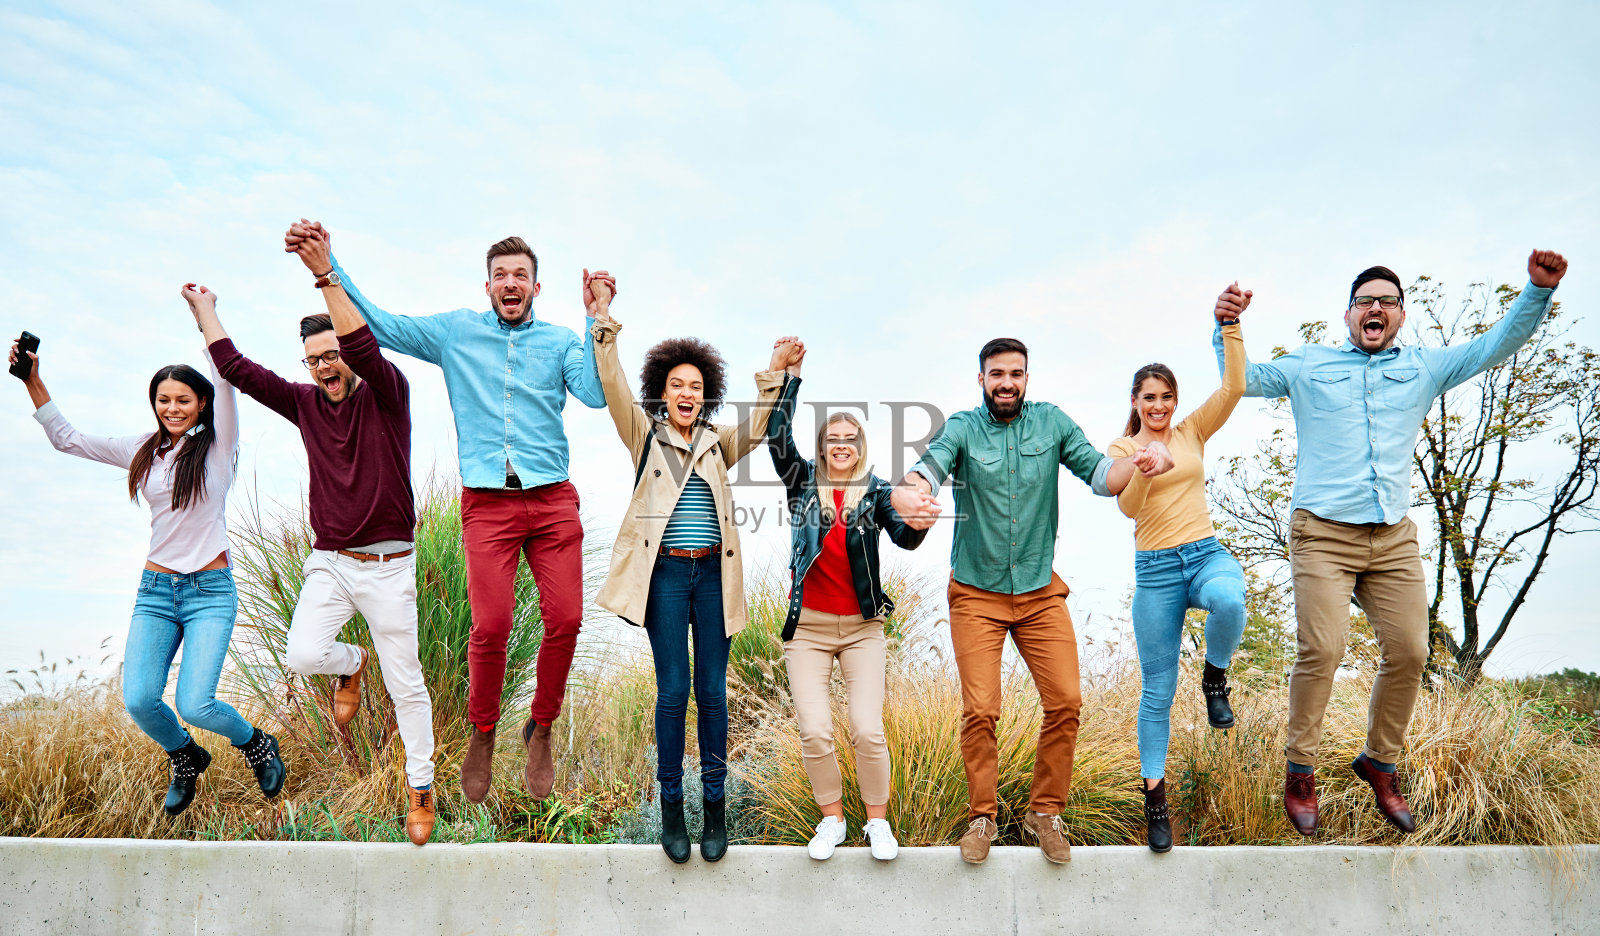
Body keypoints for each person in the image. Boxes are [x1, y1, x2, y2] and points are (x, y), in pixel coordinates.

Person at [1225, 250, 1569, 836]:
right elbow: (1245, 381)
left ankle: (1380, 761)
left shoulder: (1424, 368)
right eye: (1366, 302)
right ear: (1349, 314)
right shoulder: (1311, 365)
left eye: (1387, 301)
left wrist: (1536, 292)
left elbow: (1494, 345)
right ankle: (1300, 769)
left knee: (1411, 651)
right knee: (1324, 649)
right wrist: (1228, 327)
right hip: (1323, 535)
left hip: (1391, 539)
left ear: (1401, 316)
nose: (1376, 308)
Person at [285, 220, 605, 804]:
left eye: (522, 276)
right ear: (487, 287)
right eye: (501, 276)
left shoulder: (560, 341)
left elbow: (595, 393)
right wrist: (328, 271)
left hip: (553, 499)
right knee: (491, 626)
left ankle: (542, 725)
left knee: (565, 620)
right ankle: (483, 730)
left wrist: (597, 320)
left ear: (537, 287)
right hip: (488, 505)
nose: (511, 283)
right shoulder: (457, 332)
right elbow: (380, 326)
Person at [890, 338, 1174, 865]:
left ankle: (1045, 811)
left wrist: (1138, 460)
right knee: (981, 709)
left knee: (1065, 701)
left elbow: (1102, 478)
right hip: (976, 592)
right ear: (981, 379)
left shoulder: (1053, 423)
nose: (1006, 383)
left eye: (1016, 374)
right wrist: (906, 494)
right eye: (996, 374)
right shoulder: (962, 428)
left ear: (1027, 378)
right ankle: (983, 816)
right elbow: (925, 472)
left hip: (1041, 593)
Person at [9, 286, 285, 817]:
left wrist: (205, 313)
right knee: (139, 699)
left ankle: (256, 743)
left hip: (209, 591)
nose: (173, 408)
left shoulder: (219, 446)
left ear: (200, 402)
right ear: (154, 405)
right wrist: (32, 380)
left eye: (183, 399)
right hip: (156, 592)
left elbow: (225, 374)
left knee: (195, 703)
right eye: (163, 400)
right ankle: (185, 756)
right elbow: (68, 439)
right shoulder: (144, 450)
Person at [200, 229, 436, 845]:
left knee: (406, 681)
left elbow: (360, 339)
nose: (326, 366)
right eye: (315, 359)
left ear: (353, 356)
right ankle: (351, 663)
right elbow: (237, 370)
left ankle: (419, 787)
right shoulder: (305, 403)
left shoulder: (388, 394)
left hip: (390, 566)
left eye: (334, 354)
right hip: (331, 563)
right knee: (303, 654)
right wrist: (206, 310)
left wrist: (325, 273)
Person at [586, 276, 785, 863]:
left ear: (706, 394)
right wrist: (602, 318)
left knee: (713, 694)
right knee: (673, 692)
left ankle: (715, 806)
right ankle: (672, 806)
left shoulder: (718, 443)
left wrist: (774, 369)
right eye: (677, 385)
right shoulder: (643, 434)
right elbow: (614, 383)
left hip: (712, 582)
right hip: (667, 581)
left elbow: (758, 425)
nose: (687, 393)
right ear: (663, 391)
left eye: (696, 386)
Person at [764, 337, 927, 861]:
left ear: (860, 447)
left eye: (849, 439)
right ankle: (831, 818)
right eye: (832, 439)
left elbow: (901, 535)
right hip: (807, 629)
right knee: (814, 730)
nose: (841, 446)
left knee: (866, 730)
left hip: (861, 629)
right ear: (822, 446)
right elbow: (775, 435)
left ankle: (876, 822)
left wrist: (919, 523)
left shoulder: (875, 491)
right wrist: (787, 379)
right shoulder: (801, 483)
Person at [1107, 284, 1250, 853]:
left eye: (1166, 396)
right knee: (1157, 693)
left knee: (1232, 601)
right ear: (1136, 401)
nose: (1159, 406)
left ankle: (1215, 675)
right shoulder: (1123, 446)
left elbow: (1235, 385)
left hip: (1204, 552)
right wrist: (1146, 466)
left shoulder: (1193, 430)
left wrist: (1230, 327)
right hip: (1156, 572)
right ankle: (1156, 800)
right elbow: (1128, 507)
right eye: (1149, 398)